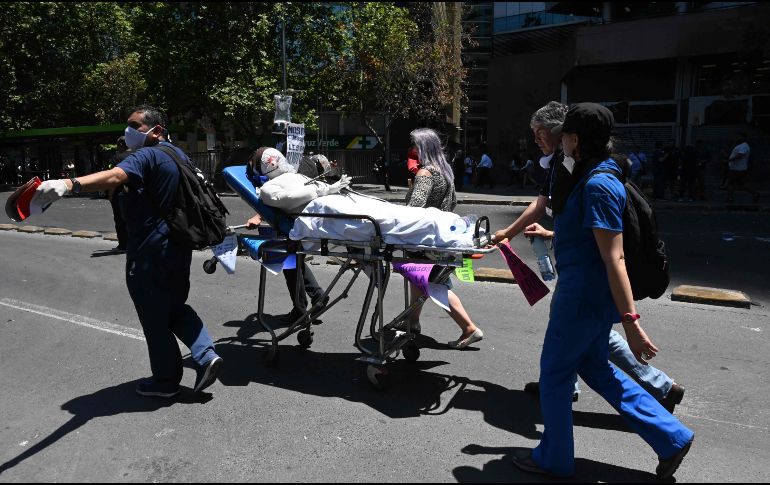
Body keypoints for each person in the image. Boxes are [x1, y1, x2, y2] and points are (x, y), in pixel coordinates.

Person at [509, 103, 694, 480]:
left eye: (564, 138)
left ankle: (554, 458)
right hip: (586, 297)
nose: (560, 145)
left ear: (574, 139)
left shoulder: (599, 184)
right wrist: (552, 234)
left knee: (556, 374)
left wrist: (631, 323)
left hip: (582, 300)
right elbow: (590, 238)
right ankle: (671, 437)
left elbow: (615, 258)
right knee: (596, 369)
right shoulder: (590, 175)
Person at [29, 104, 223, 398]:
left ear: (156, 130)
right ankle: (207, 355)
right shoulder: (178, 154)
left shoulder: (147, 154)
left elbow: (115, 176)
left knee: (154, 319)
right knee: (174, 307)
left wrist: (69, 183)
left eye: (135, 125)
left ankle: (165, 382)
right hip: (178, 246)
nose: (128, 131)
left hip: (150, 250)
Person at [397, 128, 483, 349]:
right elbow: (452, 203)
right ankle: (412, 321)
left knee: (435, 285)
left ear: (423, 147)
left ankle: (469, 328)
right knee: (419, 279)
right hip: (441, 238)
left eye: (415, 145)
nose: (412, 150)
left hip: (423, 240)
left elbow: (414, 208)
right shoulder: (446, 172)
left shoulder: (425, 173)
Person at [245, 147, 330, 322]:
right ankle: (313, 298)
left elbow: (282, 198)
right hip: (307, 223)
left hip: (296, 226)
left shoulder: (295, 170)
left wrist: (258, 216)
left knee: (290, 263)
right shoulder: (296, 167)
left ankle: (302, 308)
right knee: (294, 262)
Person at [107, 136, 131, 252]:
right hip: (136, 193)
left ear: (121, 144)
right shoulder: (138, 154)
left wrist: (111, 194)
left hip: (120, 193)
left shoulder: (117, 158)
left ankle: (123, 245)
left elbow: (112, 178)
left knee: (120, 219)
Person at [726, 132, 759, 203]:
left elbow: (740, 155)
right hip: (737, 168)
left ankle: (730, 197)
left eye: (738, 137)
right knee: (738, 184)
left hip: (738, 169)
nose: (737, 138)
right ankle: (730, 197)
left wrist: (728, 160)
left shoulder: (744, 146)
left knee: (733, 184)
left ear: (743, 138)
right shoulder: (740, 145)